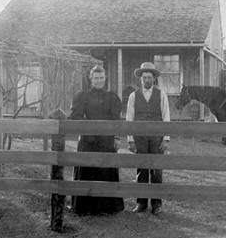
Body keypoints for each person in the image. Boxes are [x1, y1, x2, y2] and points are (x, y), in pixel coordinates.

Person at [69, 65, 124, 215]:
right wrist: (88, 129)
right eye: (96, 78)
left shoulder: (111, 97)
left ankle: (107, 208)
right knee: (87, 170)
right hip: (88, 140)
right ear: (91, 79)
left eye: (101, 78)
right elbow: (76, 116)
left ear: (105, 78)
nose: (99, 81)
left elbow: (116, 120)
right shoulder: (83, 96)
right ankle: (85, 208)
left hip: (106, 141)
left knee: (106, 170)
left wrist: (116, 137)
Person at [126, 62, 170, 216]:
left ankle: (157, 204)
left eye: (149, 77)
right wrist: (130, 139)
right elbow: (129, 118)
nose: (147, 80)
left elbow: (166, 117)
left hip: (157, 138)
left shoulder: (161, 95)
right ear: (141, 79)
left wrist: (166, 138)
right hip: (140, 139)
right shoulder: (133, 96)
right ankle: (141, 202)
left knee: (156, 170)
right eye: (144, 77)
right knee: (141, 170)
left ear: (154, 78)